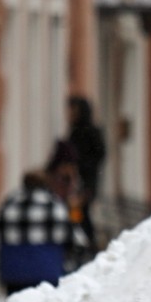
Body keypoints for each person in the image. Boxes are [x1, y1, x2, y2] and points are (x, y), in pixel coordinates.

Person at [0, 170, 88, 294]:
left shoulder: (9, 203)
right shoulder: (54, 205)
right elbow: (78, 240)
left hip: (13, 273)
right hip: (47, 272)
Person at [58, 96, 106, 249]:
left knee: (81, 213)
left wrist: (79, 168)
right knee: (76, 213)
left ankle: (87, 244)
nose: (70, 115)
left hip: (85, 183)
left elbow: (98, 157)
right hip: (76, 183)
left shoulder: (90, 132)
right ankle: (81, 243)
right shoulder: (74, 132)